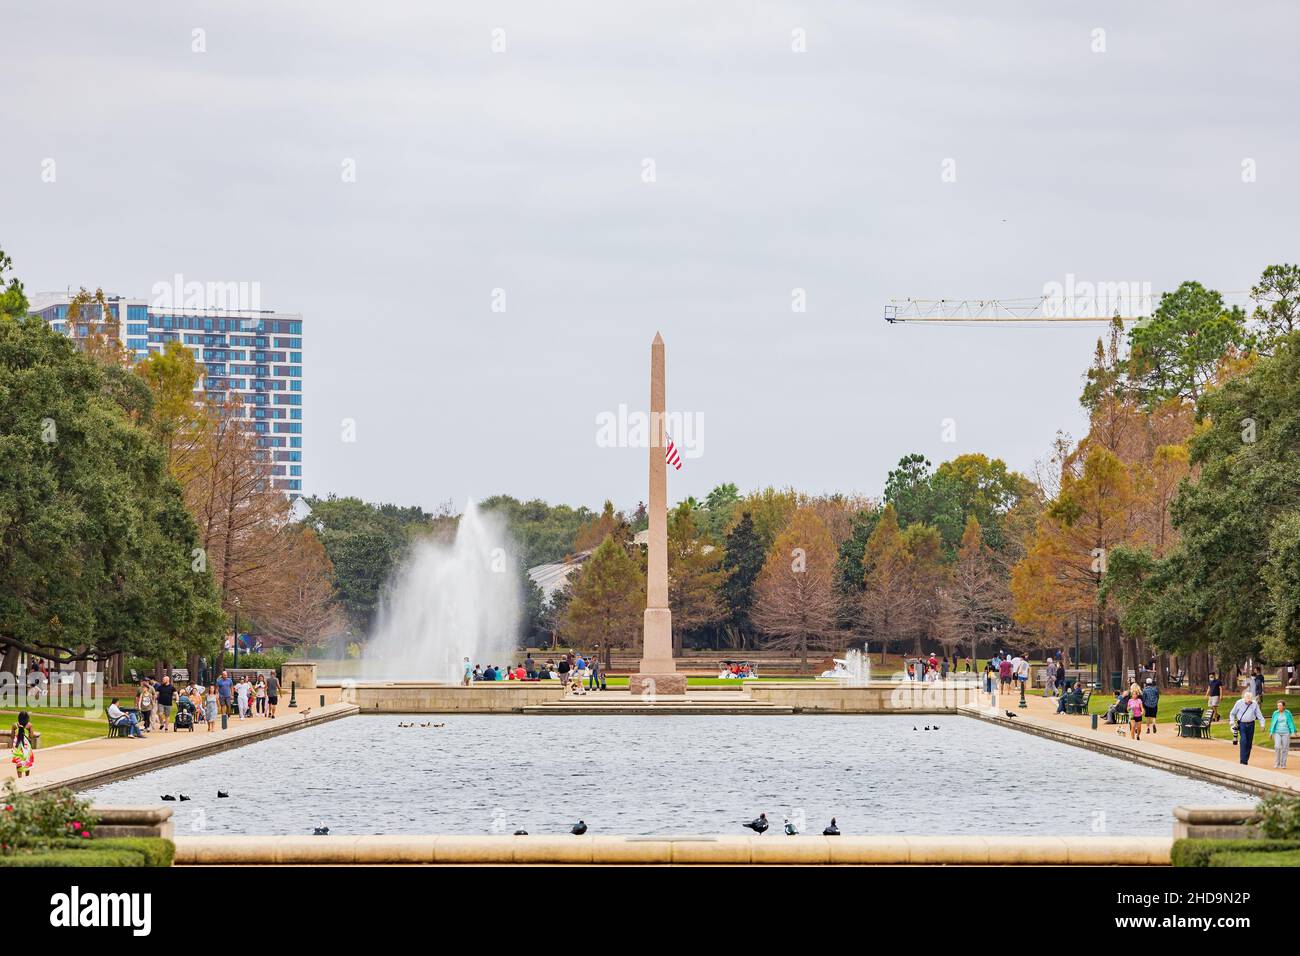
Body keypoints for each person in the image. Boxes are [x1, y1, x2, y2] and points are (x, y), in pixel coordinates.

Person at [1229, 690, 1265, 765]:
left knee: (1249, 743)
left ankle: (1245, 760)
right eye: (1248, 700)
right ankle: (1243, 761)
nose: (1249, 701)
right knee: (1243, 741)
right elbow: (1232, 713)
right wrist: (1232, 723)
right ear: (1244, 698)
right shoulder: (1239, 703)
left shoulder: (1254, 704)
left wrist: (1262, 725)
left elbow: (1259, 715)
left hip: (1251, 724)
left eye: (1250, 700)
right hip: (1242, 724)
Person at [1268, 699, 1295, 768]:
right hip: (1277, 732)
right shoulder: (1275, 713)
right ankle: (1277, 763)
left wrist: (1292, 731)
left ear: (1283, 706)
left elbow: (1291, 722)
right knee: (1277, 746)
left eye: (1280, 705)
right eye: (1278, 706)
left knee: (1285, 748)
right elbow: (1272, 723)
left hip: (1286, 732)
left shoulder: (1287, 713)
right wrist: (1271, 732)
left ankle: (1283, 764)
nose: (1278, 707)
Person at [10, 711, 35, 778]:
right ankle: (27, 777)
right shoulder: (29, 725)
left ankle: (19, 777)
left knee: (19, 761)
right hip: (26, 746)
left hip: (17, 746)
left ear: (19, 718)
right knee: (27, 760)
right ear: (27, 718)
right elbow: (31, 737)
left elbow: (12, 736)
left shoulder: (15, 725)